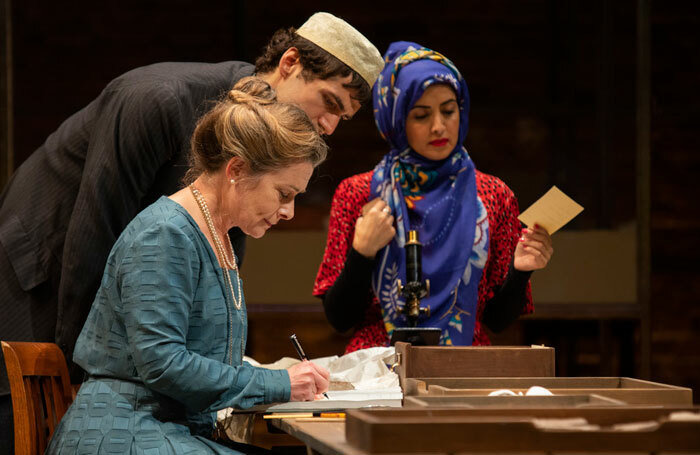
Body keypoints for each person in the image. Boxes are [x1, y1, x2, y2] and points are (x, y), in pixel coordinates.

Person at [0, 12, 382, 452]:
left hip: (157, 397)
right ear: (290, 63)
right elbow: (94, 237)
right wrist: (75, 382)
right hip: (38, 275)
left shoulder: (222, 207)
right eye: (330, 102)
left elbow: (206, 317)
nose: (331, 125)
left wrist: (255, 374)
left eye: (345, 117)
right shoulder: (158, 102)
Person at [46, 76, 331, 454]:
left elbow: (200, 362)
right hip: (125, 433)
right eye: (283, 193)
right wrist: (278, 383)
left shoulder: (215, 236)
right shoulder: (165, 233)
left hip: (170, 428)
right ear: (237, 170)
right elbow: (163, 363)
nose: (289, 212)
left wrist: (279, 380)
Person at [313, 41, 554, 353]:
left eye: (449, 111)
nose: (439, 126)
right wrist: (362, 252)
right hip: (378, 373)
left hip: (464, 368)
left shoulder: (494, 196)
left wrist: (521, 272)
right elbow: (341, 320)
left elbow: (495, 321)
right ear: (396, 120)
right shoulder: (358, 193)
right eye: (421, 115)